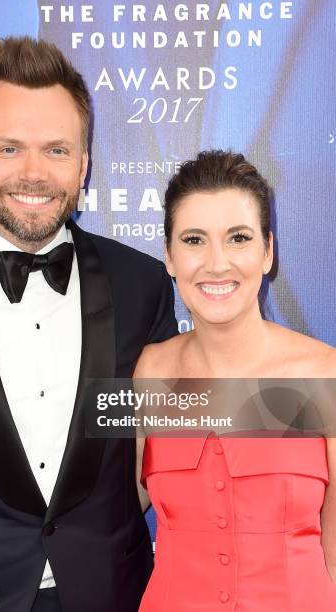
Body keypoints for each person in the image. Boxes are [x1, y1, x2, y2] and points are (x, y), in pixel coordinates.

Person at [0, 36, 178, 612]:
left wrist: (311, 395)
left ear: (85, 162)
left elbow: (181, 434)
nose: (34, 173)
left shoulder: (141, 284)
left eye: (57, 150)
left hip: (111, 594)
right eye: (10, 148)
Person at [134, 150, 336, 611]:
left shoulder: (326, 374)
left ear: (268, 252)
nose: (217, 263)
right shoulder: (150, 371)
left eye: (238, 238)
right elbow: (115, 502)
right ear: (169, 257)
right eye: (194, 240)